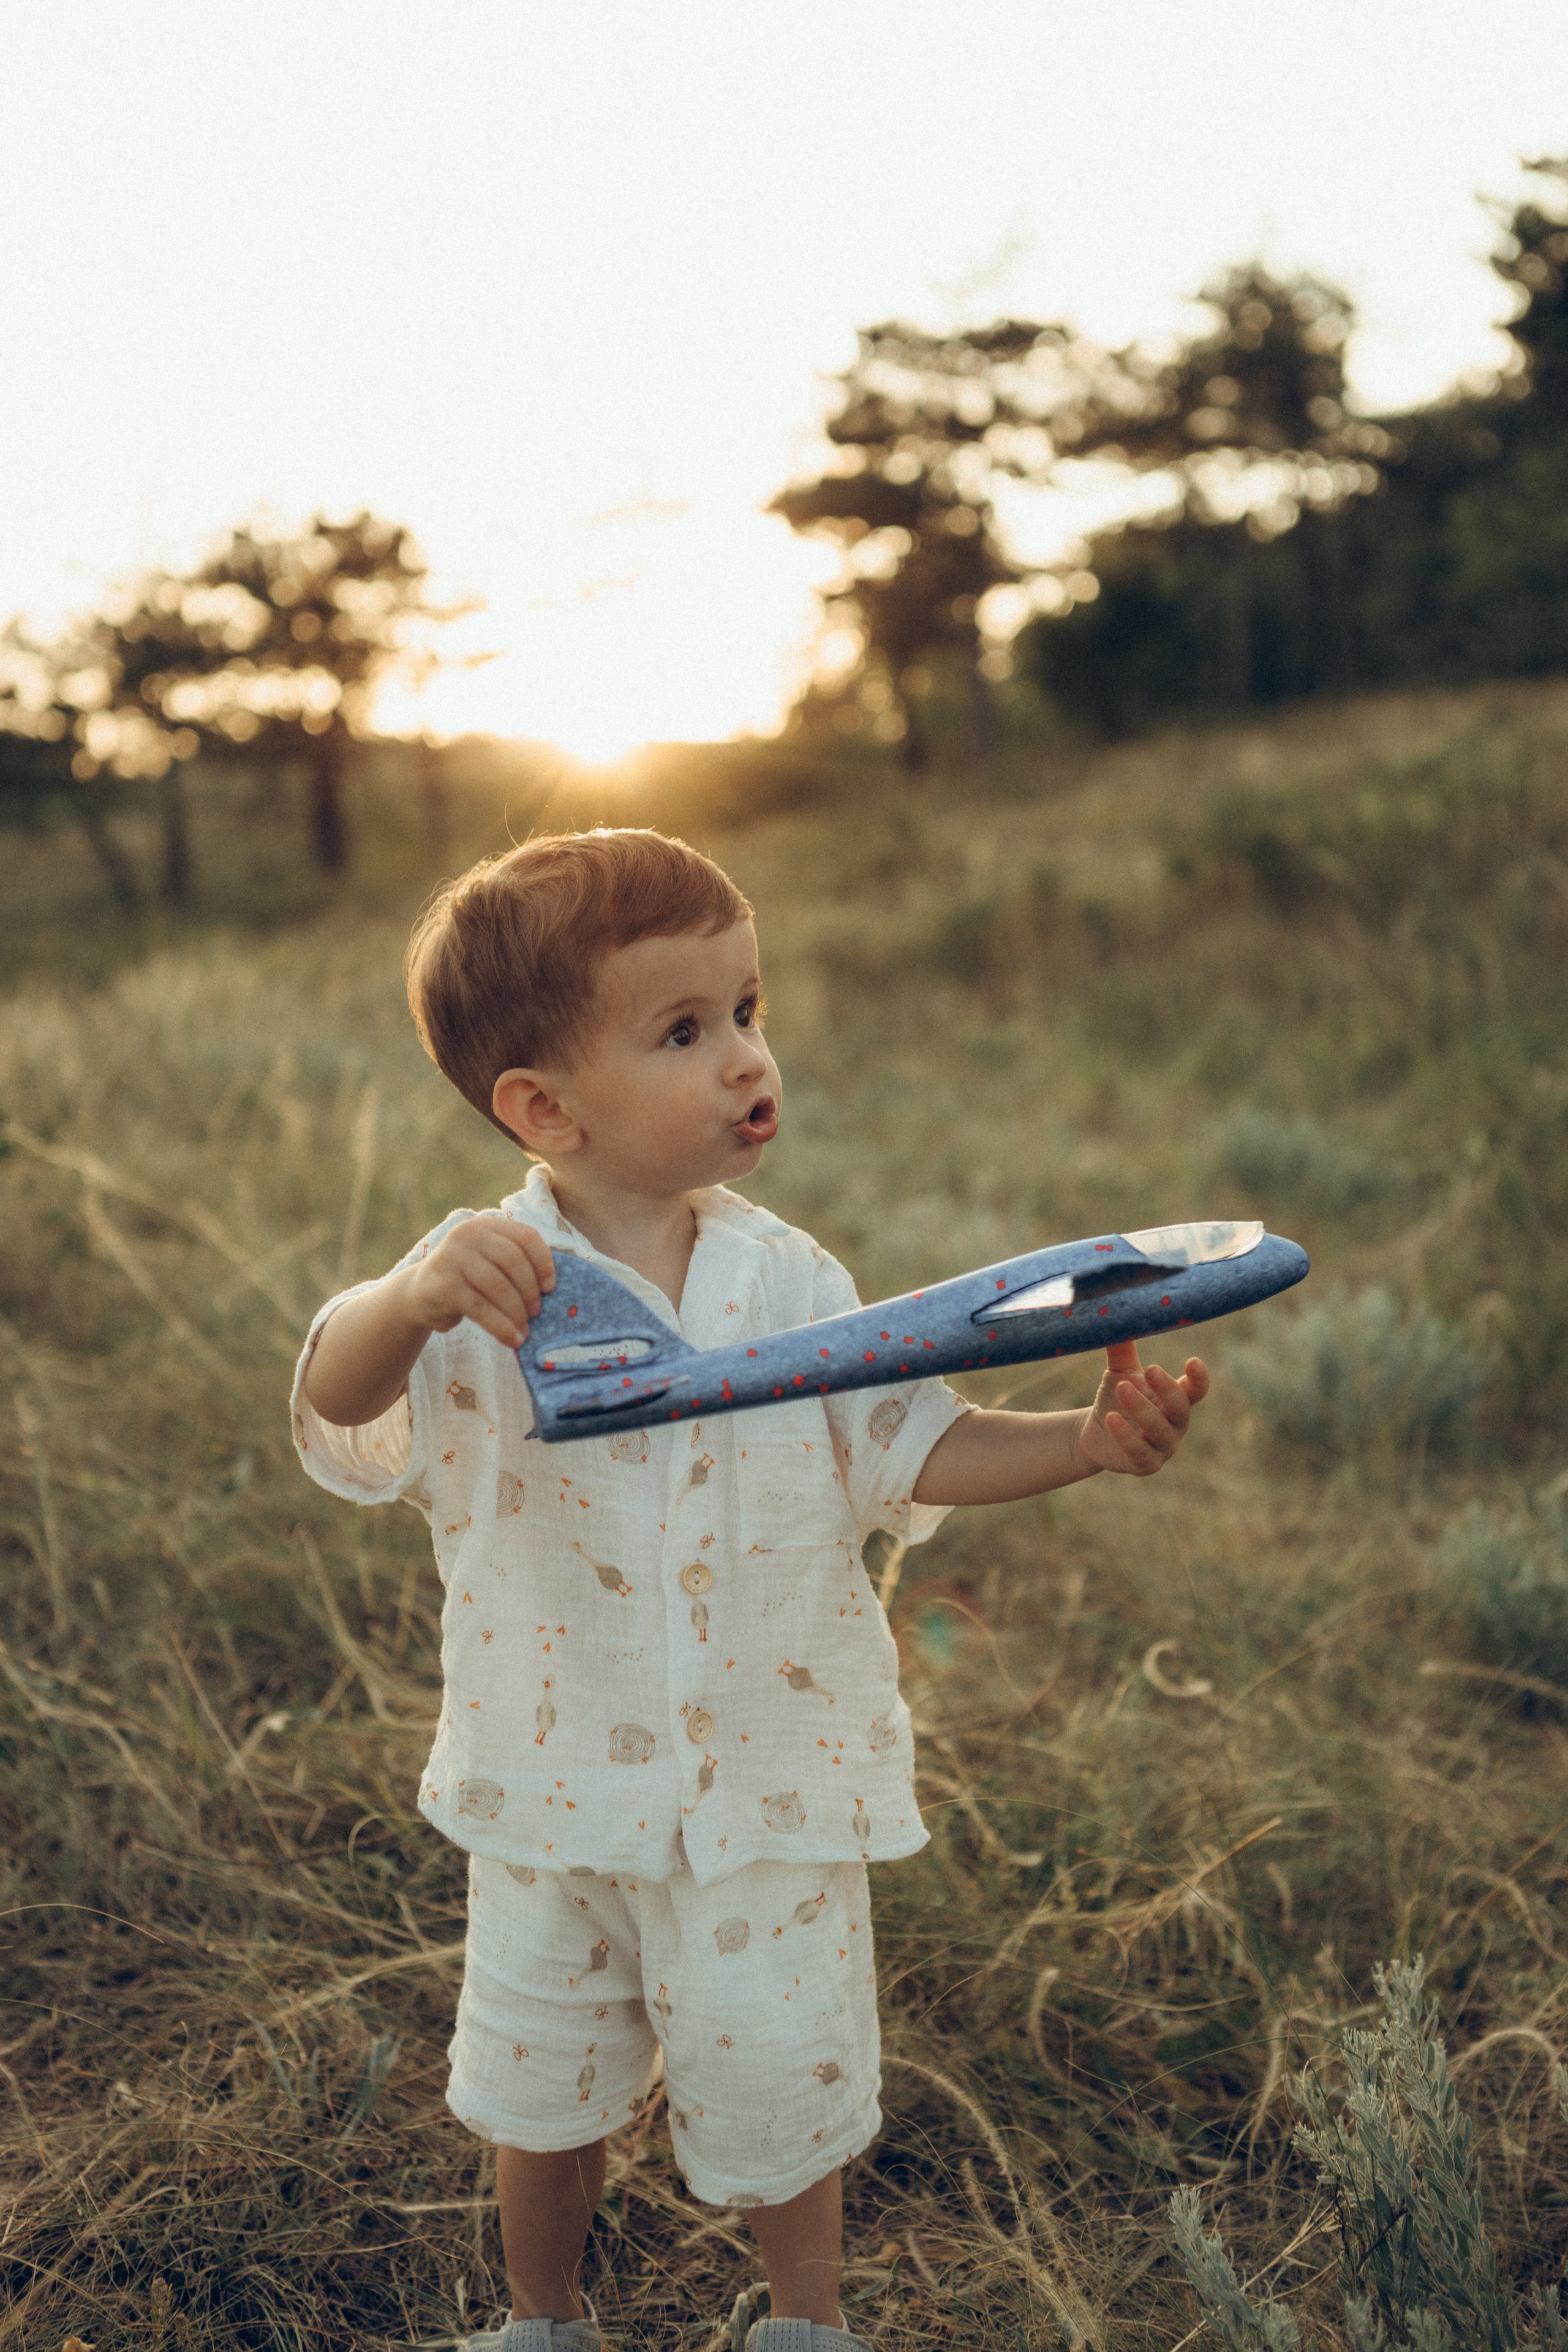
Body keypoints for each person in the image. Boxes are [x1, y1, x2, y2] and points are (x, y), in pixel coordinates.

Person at [292, 829, 1209, 2352]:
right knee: (543, 2081)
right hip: (552, 1781)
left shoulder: (791, 1284)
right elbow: (336, 1407)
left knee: (783, 2081)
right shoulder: (484, 1281)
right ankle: (542, 2320)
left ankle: (803, 2324)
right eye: (681, 1031)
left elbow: (909, 1444)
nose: (741, 1059)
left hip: (765, 1791)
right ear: (542, 1105)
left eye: (746, 1010)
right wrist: (406, 1294)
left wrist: (1082, 1444)